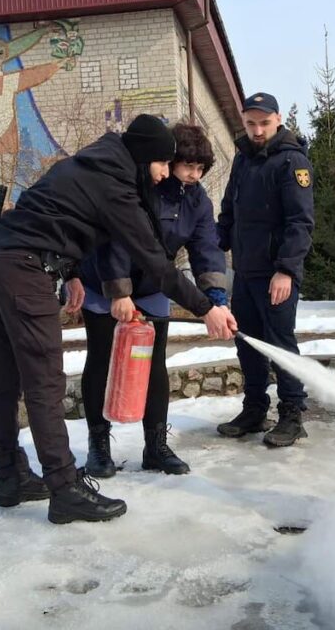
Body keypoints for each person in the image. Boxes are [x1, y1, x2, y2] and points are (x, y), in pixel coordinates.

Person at [0, 113, 236, 524]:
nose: (163, 175)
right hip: (25, 271)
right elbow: (155, 263)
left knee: (6, 381)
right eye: (161, 164)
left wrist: (70, 270)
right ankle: (65, 489)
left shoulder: (90, 164)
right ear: (146, 156)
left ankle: (10, 477)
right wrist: (206, 308)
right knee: (45, 383)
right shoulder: (116, 185)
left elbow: (59, 216)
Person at [79, 123, 227, 477]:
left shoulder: (198, 201)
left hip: (155, 286)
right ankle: (99, 446)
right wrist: (120, 290)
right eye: (187, 166)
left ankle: (156, 445)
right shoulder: (140, 186)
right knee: (101, 359)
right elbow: (114, 238)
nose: (193, 175)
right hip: (105, 282)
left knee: (154, 364)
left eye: (200, 169)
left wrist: (216, 297)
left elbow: (206, 248)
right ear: (169, 161)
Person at [216, 92, 315, 447]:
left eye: (264, 123)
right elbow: (229, 213)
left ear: (278, 120)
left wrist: (286, 270)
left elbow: (300, 222)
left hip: (277, 276)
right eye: (250, 123)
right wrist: (212, 249)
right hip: (245, 272)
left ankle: (292, 414)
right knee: (248, 345)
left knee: (280, 344)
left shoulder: (292, 162)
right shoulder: (242, 159)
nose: (257, 130)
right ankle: (255, 409)